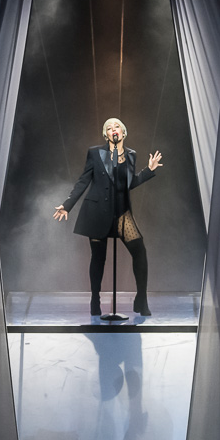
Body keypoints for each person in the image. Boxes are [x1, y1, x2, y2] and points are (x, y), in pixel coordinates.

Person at [53, 118, 162, 317]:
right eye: (109, 128)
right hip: (97, 211)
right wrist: (67, 205)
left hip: (121, 212)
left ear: (123, 132)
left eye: (117, 126)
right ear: (106, 135)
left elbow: (129, 183)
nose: (113, 129)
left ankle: (141, 299)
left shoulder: (131, 155)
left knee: (139, 250)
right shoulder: (95, 153)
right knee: (98, 257)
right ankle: (95, 299)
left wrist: (149, 170)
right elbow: (84, 180)